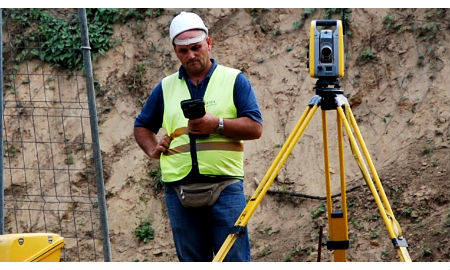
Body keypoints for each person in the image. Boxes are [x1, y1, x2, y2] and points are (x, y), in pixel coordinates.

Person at [134, 11, 263, 262]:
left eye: (196, 47)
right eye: (183, 51)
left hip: (225, 187)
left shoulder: (234, 79)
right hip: (179, 189)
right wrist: (152, 148)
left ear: (209, 44)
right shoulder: (166, 87)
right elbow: (142, 126)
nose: (191, 55)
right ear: (175, 51)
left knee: (233, 260)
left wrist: (217, 125)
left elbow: (255, 128)